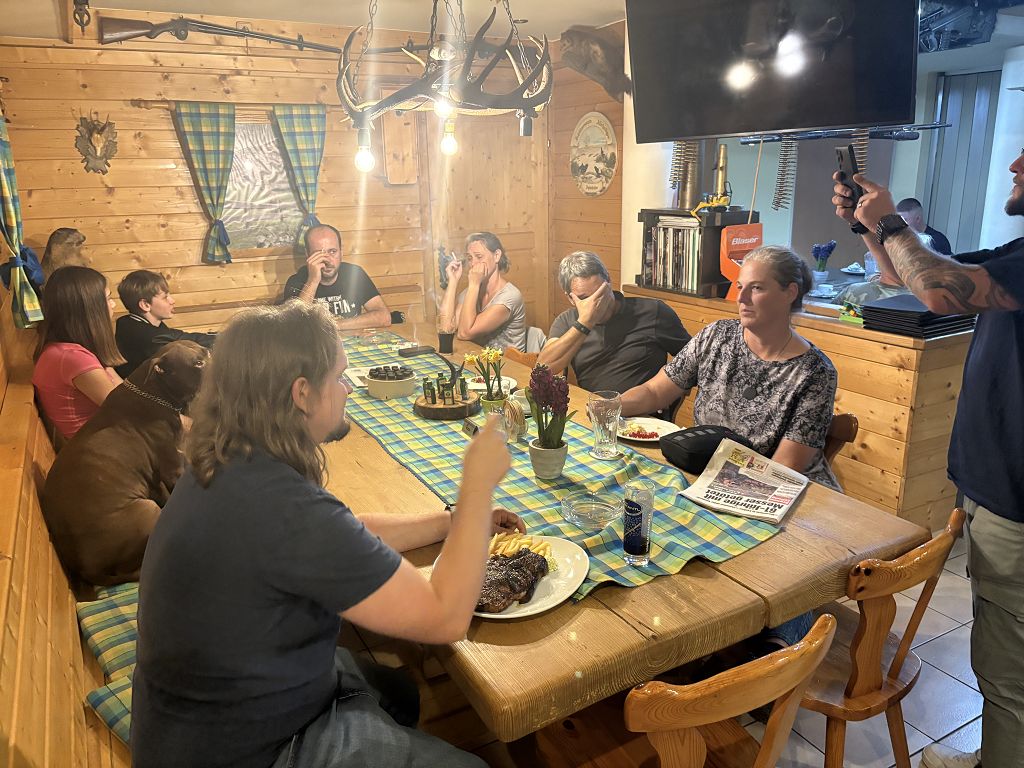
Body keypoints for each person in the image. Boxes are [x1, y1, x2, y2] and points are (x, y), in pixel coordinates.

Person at [131, 300, 520, 768]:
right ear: (302, 393)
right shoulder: (282, 506)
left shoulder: (226, 459)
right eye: (338, 377)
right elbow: (445, 618)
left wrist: (452, 522)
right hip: (247, 750)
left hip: (187, 719)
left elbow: (345, 533)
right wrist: (476, 488)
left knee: (397, 691)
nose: (348, 389)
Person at [833, 151, 1024, 768]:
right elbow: (914, 279)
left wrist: (890, 222)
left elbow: (941, 291)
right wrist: (870, 227)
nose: (1015, 162)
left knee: (1008, 672)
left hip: (1017, 510)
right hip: (999, 495)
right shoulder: (1019, 251)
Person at [619, 246, 840, 491]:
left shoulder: (815, 371)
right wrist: (610, 407)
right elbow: (654, 392)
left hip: (781, 491)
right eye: (740, 286)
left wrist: (710, 487)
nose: (741, 298)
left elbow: (784, 467)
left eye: (756, 288)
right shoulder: (717, 335)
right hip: (705, 472)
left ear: (790, 292)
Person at [538, 250, 690, 395]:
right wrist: (584, 323)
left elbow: (693, 361)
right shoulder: (567, 321)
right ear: (570, 298)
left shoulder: (653, 311)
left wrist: (667, 393)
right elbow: (543, 370)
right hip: (593, 407)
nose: (596, 304)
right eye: (585, 299)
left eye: (599, 293)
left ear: (609, 281)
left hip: (643, 408)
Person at [32, 266, 125, 441]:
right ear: (89, 308)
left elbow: (123, 391)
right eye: (108, 298)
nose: (113, 304)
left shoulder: (64, 349)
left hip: (103, 440)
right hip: (98, 448)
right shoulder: (72, 358)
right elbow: (124, 407)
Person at [281, 224, 392, 330]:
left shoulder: (354, 274)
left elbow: (384, 317)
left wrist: (333, 325)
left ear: (341, 252)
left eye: (333, 252)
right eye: (318, 254)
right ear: (308, 255)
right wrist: (313, 281)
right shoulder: (297, 281)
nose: (328, 261)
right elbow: (293, 326)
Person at [114, 269, 216, 377]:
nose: (172, 301)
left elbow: (182, 337)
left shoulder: (130, 322)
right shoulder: (150, 338)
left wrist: (222, 337)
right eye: (165, 297)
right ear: (145, 305)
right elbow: (189, 355)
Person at [438, 231, 527, 352]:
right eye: (470, 258)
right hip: (478, 360)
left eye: (479, 257)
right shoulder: (470, 291)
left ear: (496, 256)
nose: (473, 264)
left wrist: (474, 284)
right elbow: (446, 329)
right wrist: (453, 281)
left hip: (505, 363)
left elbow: (464, 333)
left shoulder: (509, 296)